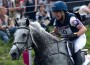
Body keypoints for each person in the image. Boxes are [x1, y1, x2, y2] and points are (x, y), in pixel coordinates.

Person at [51, 1, 87, 65]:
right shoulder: (56, 21)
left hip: (79, 38)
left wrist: (76, 34)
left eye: (57, 12)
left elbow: (84, 29)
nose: (56, 14)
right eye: (54, 12)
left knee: (76, 47)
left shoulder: (71, 18)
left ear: (63, 12)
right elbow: (55, 33)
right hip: (68, 40)